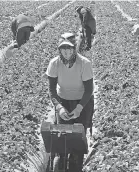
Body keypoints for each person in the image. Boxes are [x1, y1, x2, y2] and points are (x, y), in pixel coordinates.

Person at [45, 37, 94, 171]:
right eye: (63, 49)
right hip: (63, 101)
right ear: (59, 50)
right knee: (63, 136)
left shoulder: (84, 63)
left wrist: (79, 108)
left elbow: (89, 90)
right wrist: (59, 108)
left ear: (74, 49)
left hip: (82, 101)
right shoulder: (54, 63)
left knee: (78, 136)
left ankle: (76, 162)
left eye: (69, 49)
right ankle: (61, 158)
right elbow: (52, 90)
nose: (66, 52)